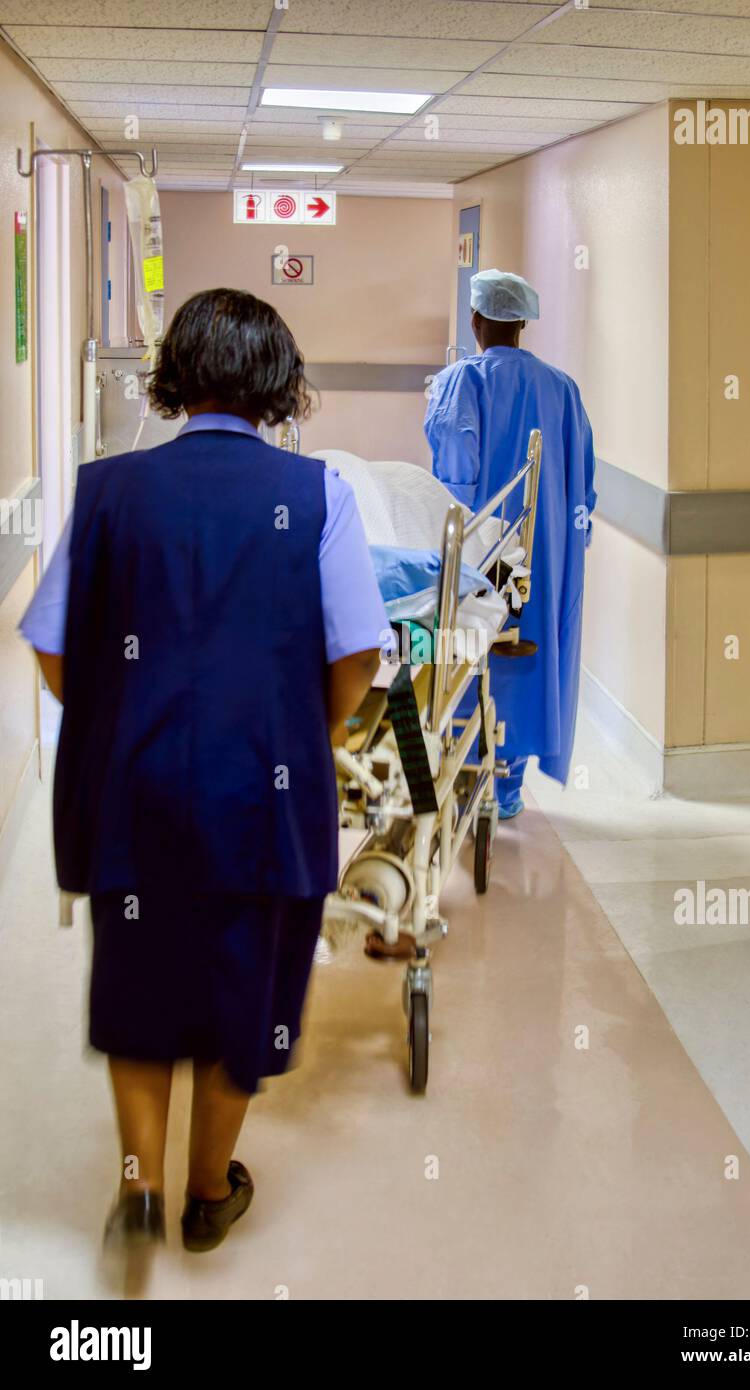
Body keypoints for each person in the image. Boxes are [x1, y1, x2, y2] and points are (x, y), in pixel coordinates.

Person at [19, 288, 388, 1252]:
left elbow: (51, 647)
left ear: (175, 376)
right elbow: (356, 656)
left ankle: (136, 1189)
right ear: (277, 383)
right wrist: (308, 730)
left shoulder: (109, 490)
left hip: (133, 787)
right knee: (245, 995)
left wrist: (115, 715)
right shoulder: (320, 498)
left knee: (138, 986)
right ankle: (206, 1192)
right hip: (262, 791)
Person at [424, 268, 597, 818]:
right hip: (540, 552)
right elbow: (583, 487)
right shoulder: (562, 388)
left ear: (475, 320)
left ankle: (464, 771)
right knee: (527, 644)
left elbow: (453, 474)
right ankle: (507, 786)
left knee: (469, 649)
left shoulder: (461, 381)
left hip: (478, 551)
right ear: (522, 324)